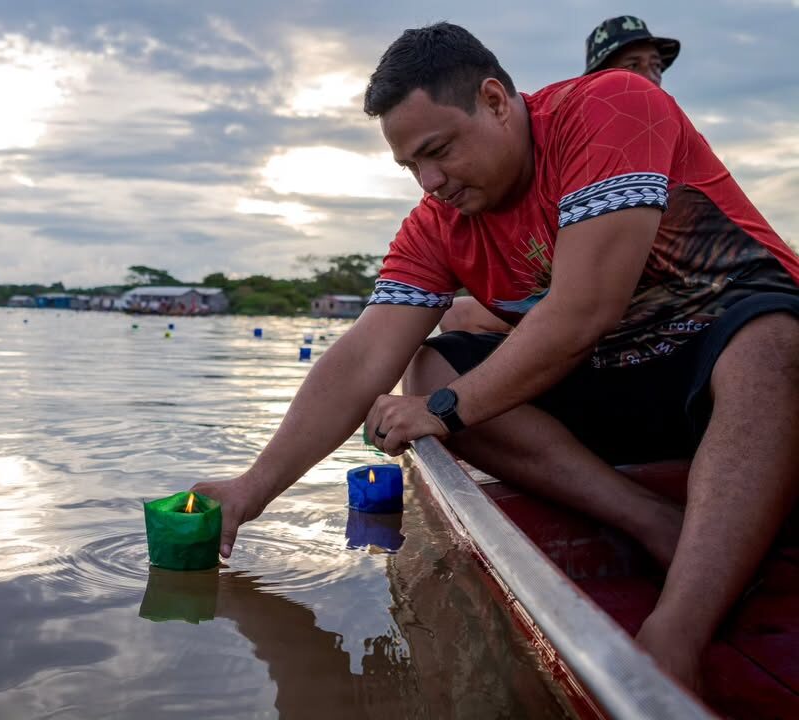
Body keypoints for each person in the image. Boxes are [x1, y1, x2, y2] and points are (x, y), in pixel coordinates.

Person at [192, 23, 799, 691]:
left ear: (495, 100)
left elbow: (582, 312)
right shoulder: (438, 223)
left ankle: (675, 632)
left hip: (731, 358)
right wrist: (253, 489)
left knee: (776, 342)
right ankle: (650, 519)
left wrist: (445, 412)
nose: (429, 182)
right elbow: (366, 352)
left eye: (438, 150)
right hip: (615, 375)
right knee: (424, 366)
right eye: (410, 167)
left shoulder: (611, 106)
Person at [441, 14, 681, 335]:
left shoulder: (666, 134)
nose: (649, 76)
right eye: (633, 66)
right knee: (455, 315)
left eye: (656, 66)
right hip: (586, 290)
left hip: (656, 295)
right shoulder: (586, 142)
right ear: (601, 78)